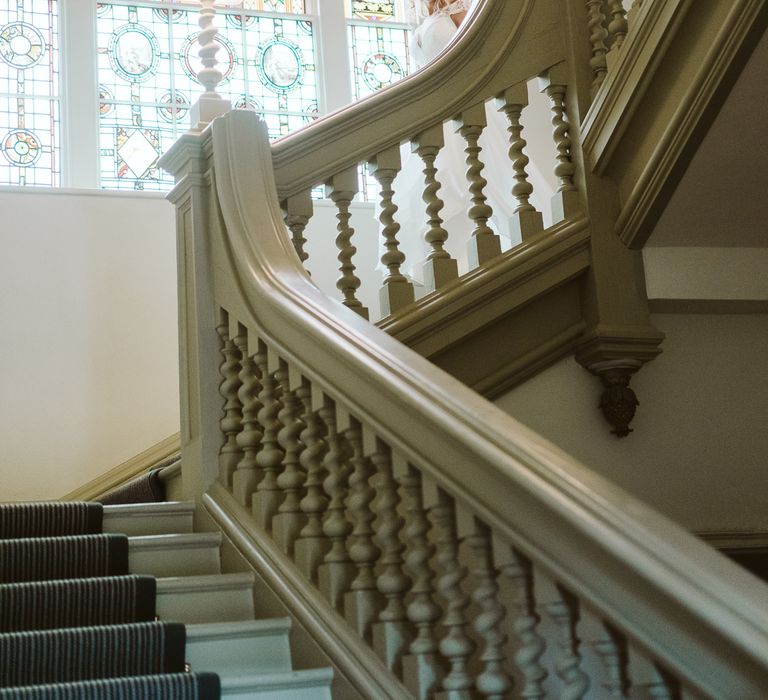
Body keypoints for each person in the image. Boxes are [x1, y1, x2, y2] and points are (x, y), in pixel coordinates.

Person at [383, 0, 554, 291]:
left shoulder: (460, 11)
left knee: (475, 182)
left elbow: (477, 53)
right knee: (437, 194)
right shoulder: (426, 19)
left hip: (459, 109)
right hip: (432, 112)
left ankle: (499, 259)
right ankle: (460, 272)